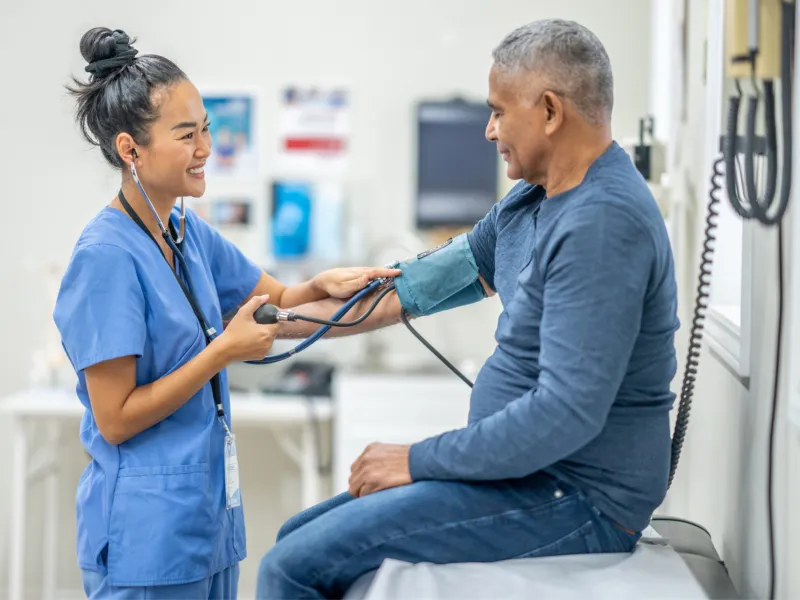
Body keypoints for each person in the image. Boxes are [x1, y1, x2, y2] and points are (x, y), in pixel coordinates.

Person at [255, 18, 680, 599]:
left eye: (500, 111)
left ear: (551, 112)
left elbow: (565, 414)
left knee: (291, 567)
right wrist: (272, 323)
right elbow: (407, 288)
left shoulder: (601, 224)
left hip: (579, 498)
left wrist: (417, 460)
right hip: (527, 478)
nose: (488, 130)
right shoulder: (531, 202)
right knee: (294, 536)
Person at [53, 27, 398, 600]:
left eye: (207, 129)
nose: (206, 149)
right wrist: (223, 352)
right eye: (187, 135)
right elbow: (114, 419)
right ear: (129, 149)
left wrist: (320, 282)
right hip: (146, 539)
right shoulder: (106, 258)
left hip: (207, 527)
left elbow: (278, 304)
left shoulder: (188, 233)